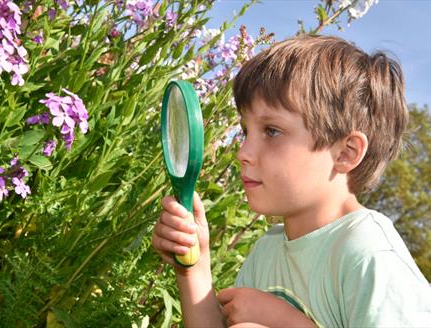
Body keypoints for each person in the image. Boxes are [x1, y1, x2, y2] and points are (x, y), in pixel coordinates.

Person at [152, 35, 431, 327]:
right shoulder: (268, 249)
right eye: (246, 131)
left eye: (271, 131)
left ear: (346, 153)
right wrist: (193, 269)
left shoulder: (368, 251)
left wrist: (286, 321)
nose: (243, 152)